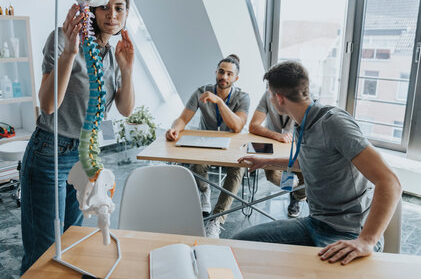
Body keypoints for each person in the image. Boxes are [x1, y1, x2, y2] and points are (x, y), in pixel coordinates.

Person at [20, 0, 135, 274]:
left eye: (119, 8)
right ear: (91, 8)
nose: (112, 15)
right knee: (44, 252)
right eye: (104, 7)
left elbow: (124, 108)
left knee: (72, 242)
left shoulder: (112, 53)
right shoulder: (62, 38)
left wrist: (127, 69)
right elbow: (47, 105)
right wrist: (70, 53)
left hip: (85, 156)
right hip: (50, 153)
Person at [234, 61, 401, 265]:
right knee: (238, 244)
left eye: (270, 95)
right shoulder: (301, 122)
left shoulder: (334, 123)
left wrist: (366, 240)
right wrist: (267, 161)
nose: (270, 99)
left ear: (279, 98)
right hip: (315, 223)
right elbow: (311, 161)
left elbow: (390, 182)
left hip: (348, 232)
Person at [165, 55, 250, 238]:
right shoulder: (201, 92)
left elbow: (237, 126)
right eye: (221, 72)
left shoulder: (243, 97)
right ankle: (205, 191)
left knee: (238, 170)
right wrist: (174, 129)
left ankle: (217, 220)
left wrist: (219, 102)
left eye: (229, 74)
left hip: (232, 146)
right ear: (215, 72)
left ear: (236, 78)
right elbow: (183, 119)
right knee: (197, 165)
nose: (224, 77)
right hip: (206, 143)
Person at [249, 90, 306, 217]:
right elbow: (253, 125)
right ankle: (294, 189)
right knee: (272, 176)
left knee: (307, 178)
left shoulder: (302, 95)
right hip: (273, 143)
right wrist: (277, 136)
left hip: (297, 145)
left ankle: (296, 197)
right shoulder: (268, 94)